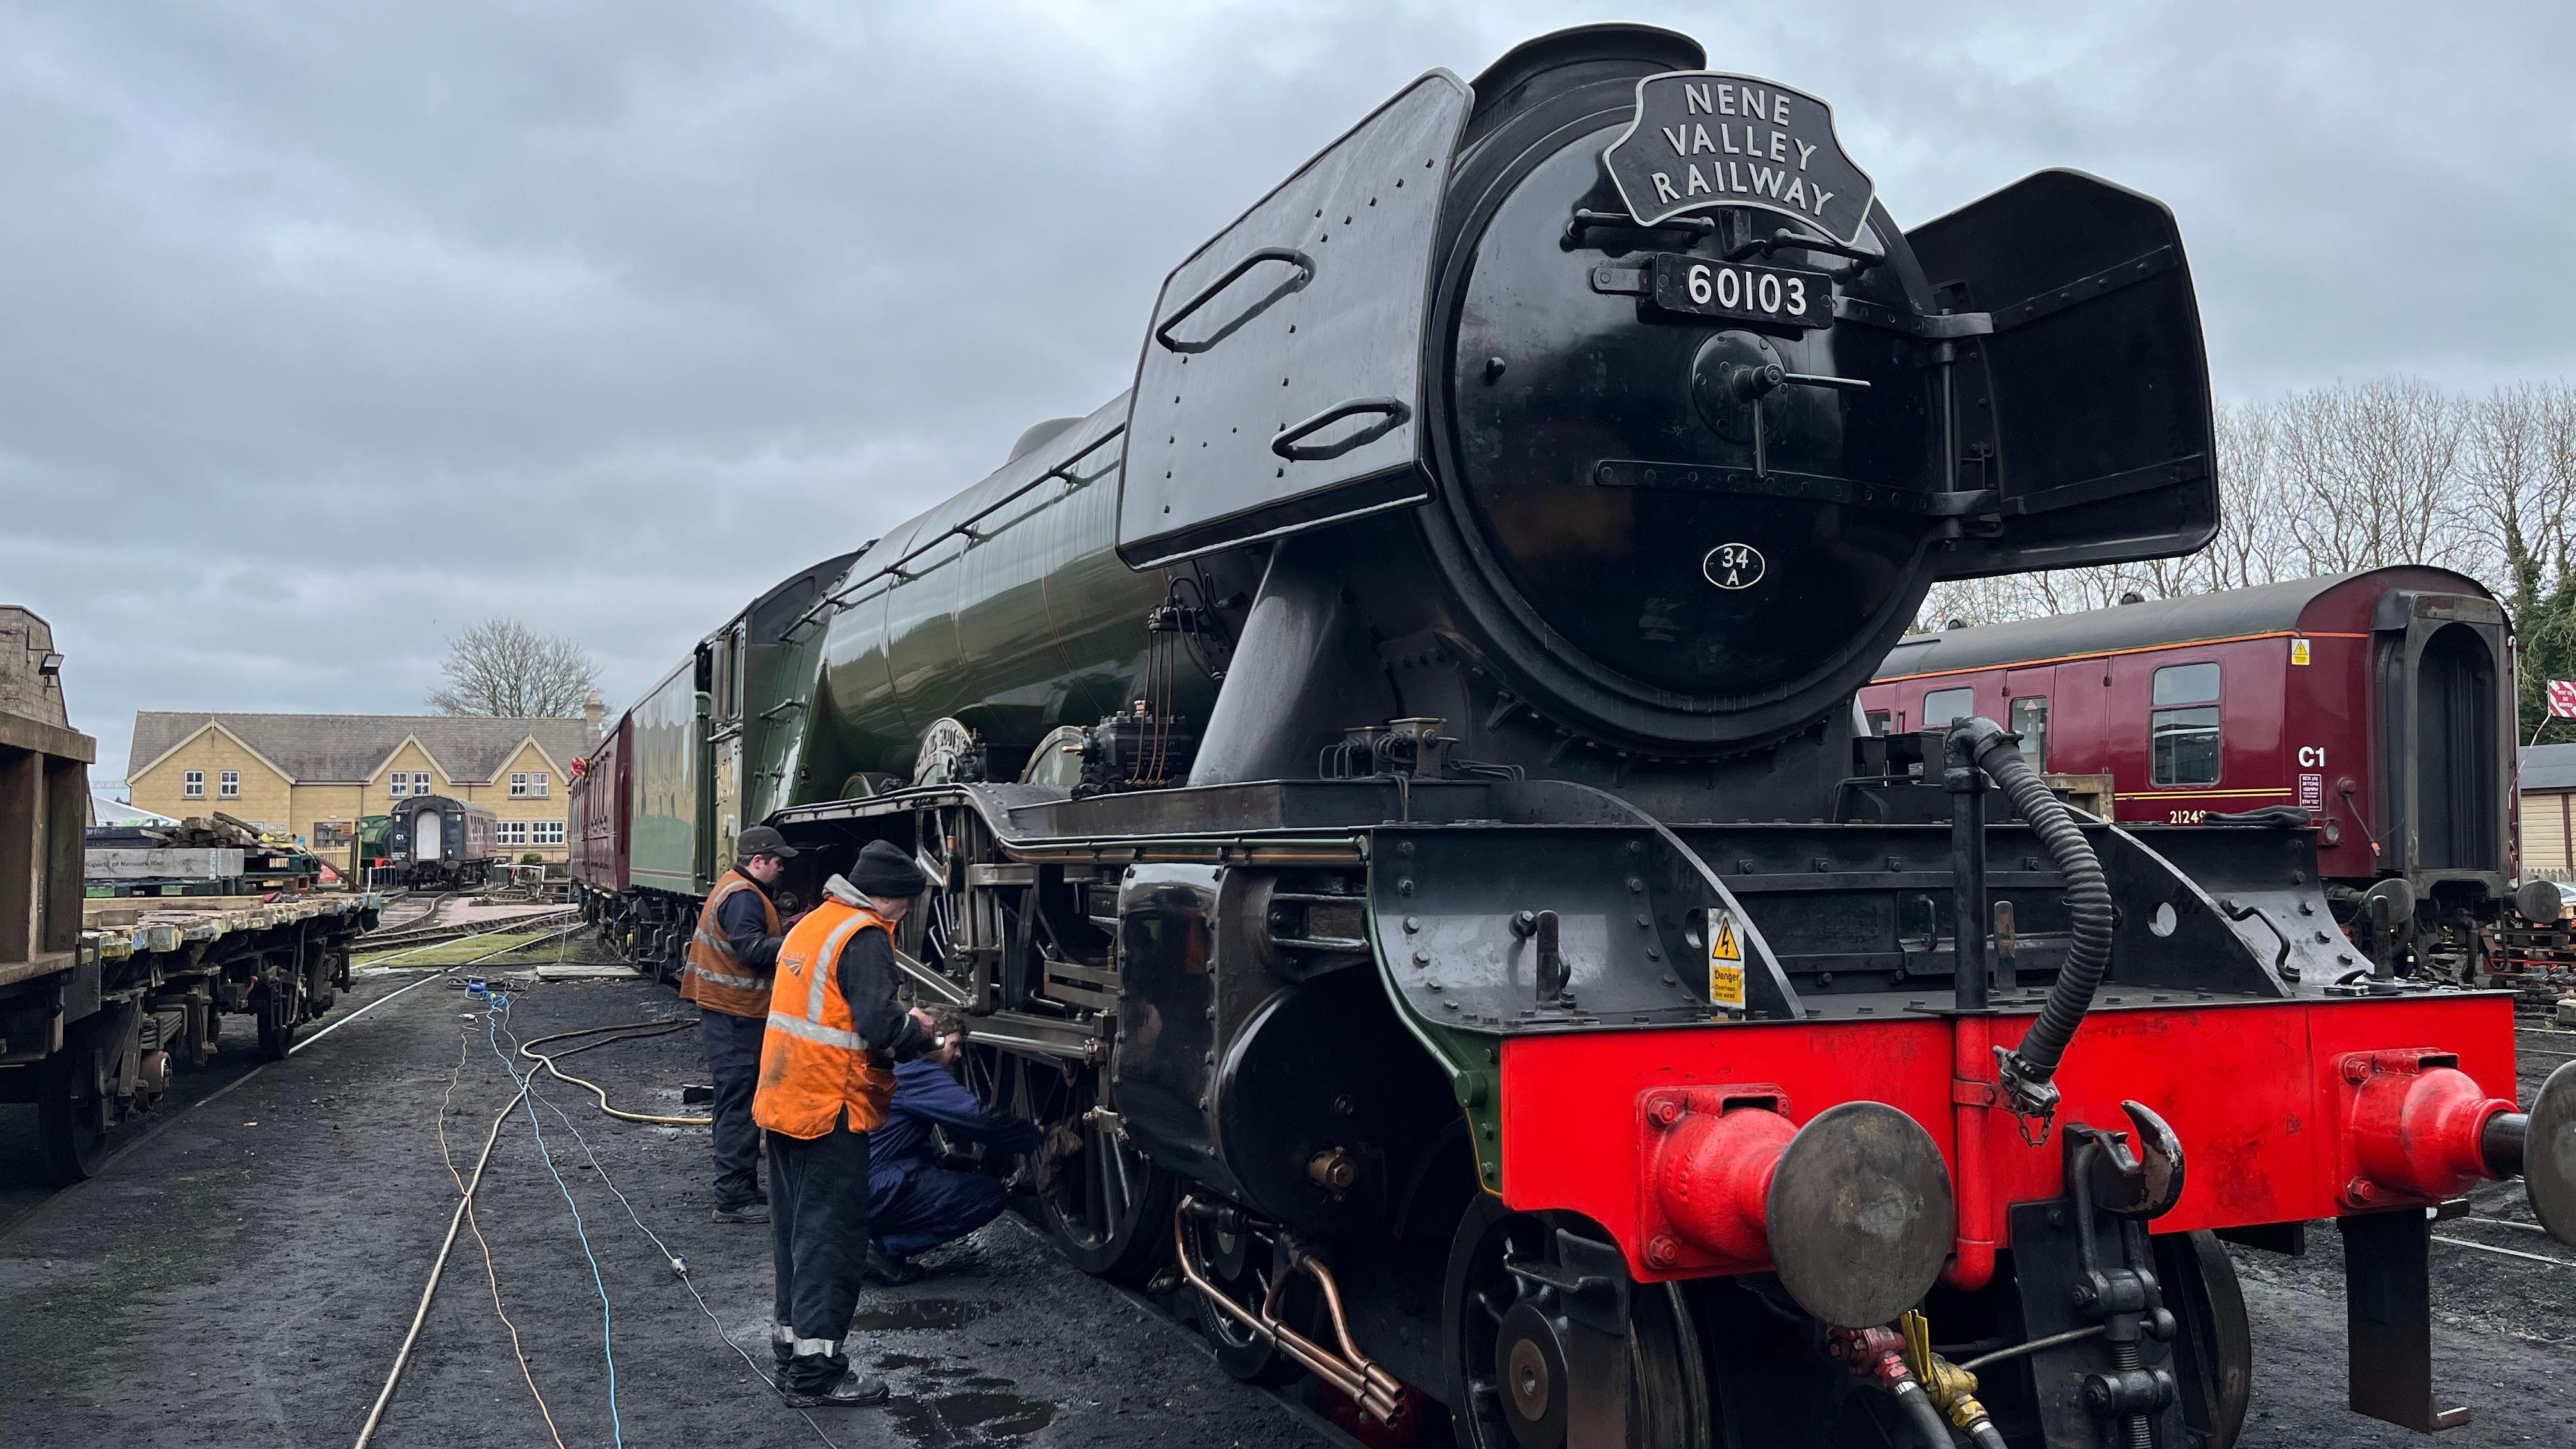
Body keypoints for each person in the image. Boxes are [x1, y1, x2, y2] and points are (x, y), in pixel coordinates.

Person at [754, 839, 941, 1409]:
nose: (906, 915)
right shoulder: (863, 936)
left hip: (785, 1105)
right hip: (829, 1109)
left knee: (794, 1238)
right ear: (888, 898)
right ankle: (818, 1377)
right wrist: (926, 1031)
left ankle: (792, 1351)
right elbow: (880, 1024)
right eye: (906, 905)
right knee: (830, 1245)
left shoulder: (815, 923)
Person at [861, 1009, 1042, 1286]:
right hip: (875, 1190)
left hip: (860, 1186)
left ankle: (872, 1243)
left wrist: (941, 1159)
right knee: (990, 1196)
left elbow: (891, 1138)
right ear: (933, 1042)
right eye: (954, 1045)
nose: (958, 1055)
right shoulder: (921, 1073)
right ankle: (881, 1248)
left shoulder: (902, 1067)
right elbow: (978, 1119)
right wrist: (1033, 1136)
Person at [682, 825, 798, 1224]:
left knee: (737, 1103)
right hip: (736, 1015)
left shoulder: (735, 887)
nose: (782, 868)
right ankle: (732, 1199)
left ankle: (742, 1188)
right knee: (738, 1106)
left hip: (730, 1013)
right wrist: (800, 941)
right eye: (777, 861)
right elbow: (752, 952)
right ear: (758, 861)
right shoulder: (745, 897)